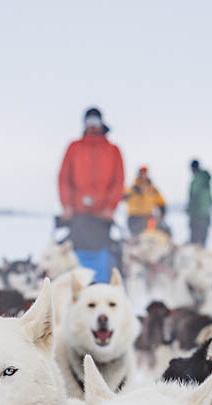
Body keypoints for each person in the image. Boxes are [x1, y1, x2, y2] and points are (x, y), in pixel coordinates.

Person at [58, 107, 125, 280]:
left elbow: (118, 181)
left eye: (95, 121)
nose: (92, 125)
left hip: (102, 216)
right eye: (89, 122)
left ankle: (102, 285)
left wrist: (110, 207)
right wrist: (67, 206)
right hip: (77, 214)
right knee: (76, 252)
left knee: (103, 253)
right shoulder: (74, 147)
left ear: (102, 123)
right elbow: (64, 178)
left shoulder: (113, 150)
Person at [123, 165, 166, 238]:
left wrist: (162, 215)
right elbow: (122, 196)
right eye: (142, 173)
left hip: (149, 218)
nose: (144, 175)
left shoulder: (152, 190)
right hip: (135, 218)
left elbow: (161, 203)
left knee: (161, 230)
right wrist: (134, 192)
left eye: (145, 173)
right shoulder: (132, 189)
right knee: (138, 234)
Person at [187, 159, 212, 246]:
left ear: (193, 168)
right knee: (202, 241)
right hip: (206, 215)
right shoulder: (205, 181)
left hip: (196, 216)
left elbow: (194, 198)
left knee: (195, 243)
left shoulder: (196, 181)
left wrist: (189, 209)